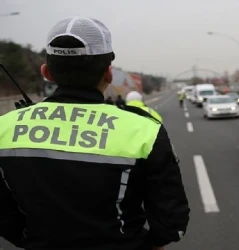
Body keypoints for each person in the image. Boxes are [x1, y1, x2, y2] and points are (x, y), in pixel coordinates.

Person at [0, 17, 189, 250]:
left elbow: (4, 215)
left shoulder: (4, 128)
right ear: (108, 74)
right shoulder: (144, 129)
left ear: (46, 72)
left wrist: (30, 239)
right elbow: (172, 222)